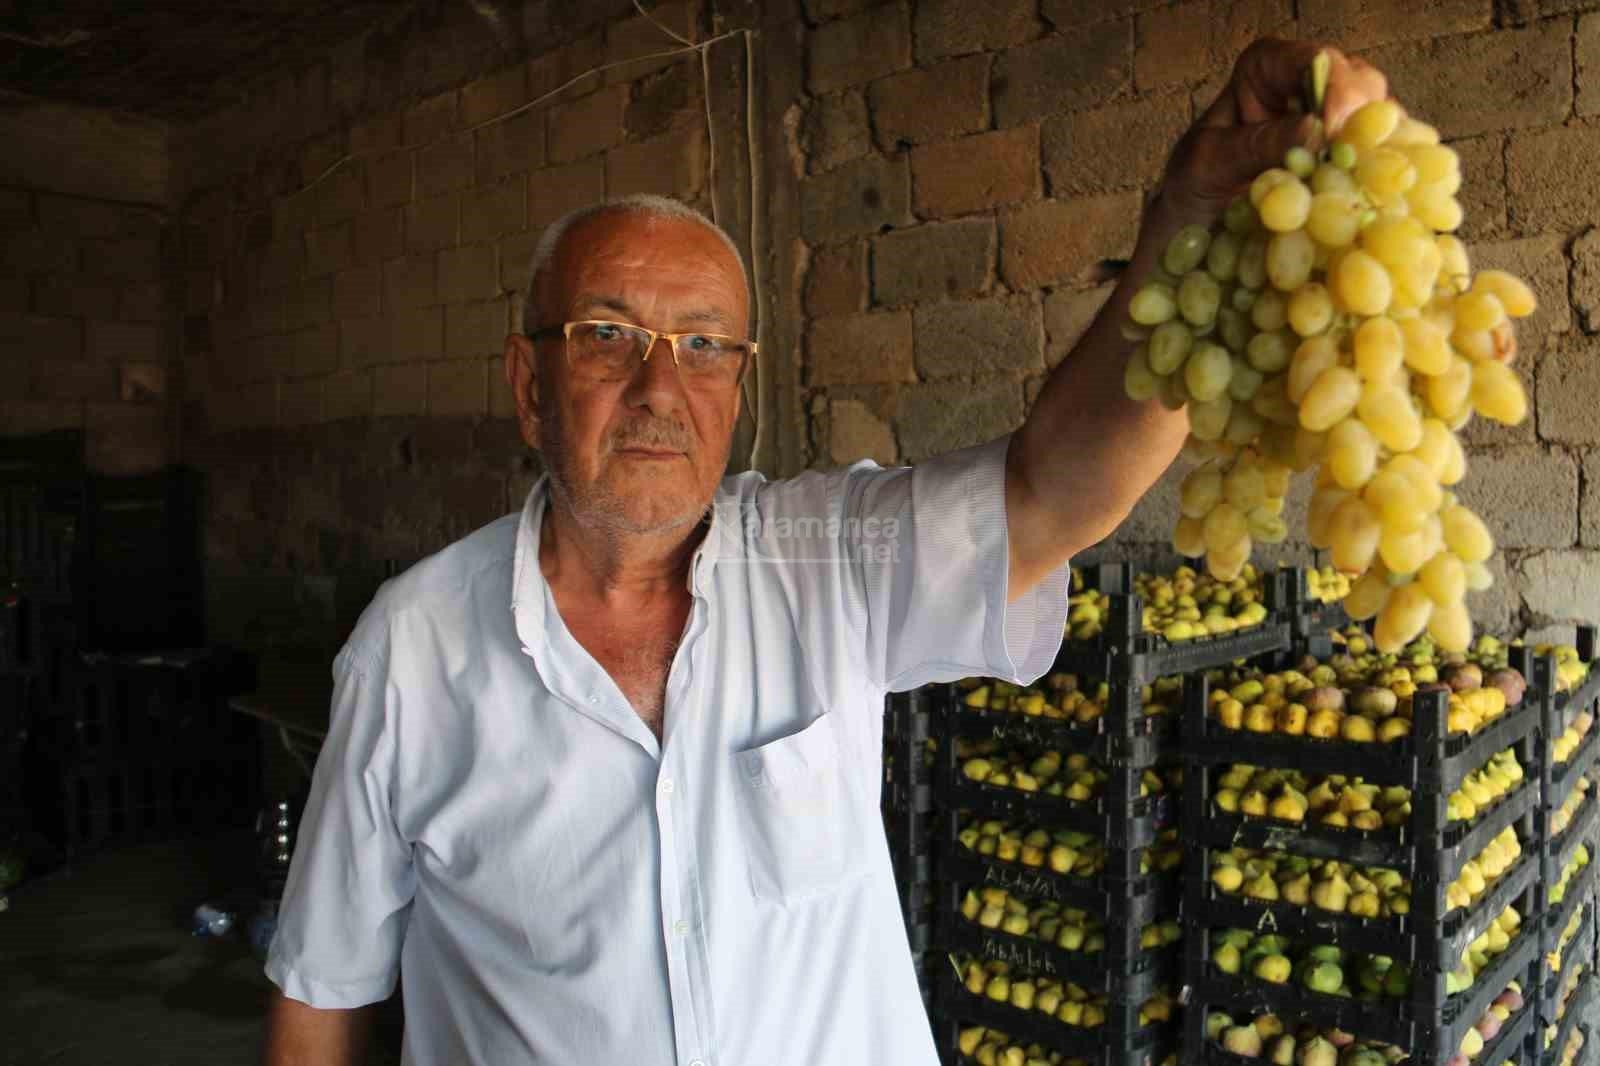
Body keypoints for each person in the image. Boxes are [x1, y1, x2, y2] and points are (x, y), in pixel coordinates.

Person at [261, 37, 1388, 1066]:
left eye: (705, 346)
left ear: (739, 390)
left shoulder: (820, 559)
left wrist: (1189, 220)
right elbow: (321, 998)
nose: (660, 388)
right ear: (527, 385)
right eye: (608, 336)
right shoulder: (412, 649)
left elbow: (1056, 489)